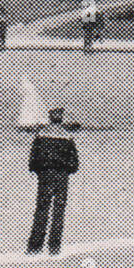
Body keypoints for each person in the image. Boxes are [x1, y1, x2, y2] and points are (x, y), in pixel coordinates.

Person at [27, 107, 80, 255]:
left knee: (42, 209)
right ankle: (54, 247)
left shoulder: (41, 135)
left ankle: (35, 247)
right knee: (59, 211)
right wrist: (65, 170)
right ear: (61, 118)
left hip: (45, 174)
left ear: (50, 118)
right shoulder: (67, 137)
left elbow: (33, 160)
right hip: (62, 175)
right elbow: (74, 163)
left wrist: (39, 171)